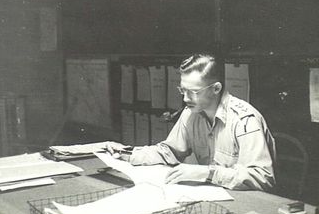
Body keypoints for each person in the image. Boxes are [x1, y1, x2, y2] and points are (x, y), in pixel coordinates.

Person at [105, 54, 276, 191]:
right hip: (215, 194)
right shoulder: (191, 112)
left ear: (216, 89)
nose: (186, 98)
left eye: (193, 92)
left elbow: (262, 177)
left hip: (250, 203)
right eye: (182, 90)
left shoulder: (244, 120)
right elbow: (169, 151)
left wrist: (206, 173)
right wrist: (127, 154)